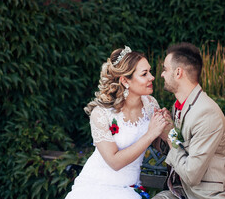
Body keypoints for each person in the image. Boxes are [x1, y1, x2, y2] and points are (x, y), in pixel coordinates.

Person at [65, 46, 169, 199]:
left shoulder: (151, 104)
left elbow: (159, 145)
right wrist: (151, 134)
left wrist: (167, 129)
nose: (152, 77)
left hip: (129, 188)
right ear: (125, 80)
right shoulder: (101, 114)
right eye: (144, 74)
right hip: (96, 186)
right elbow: (114, 162)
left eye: (150, 71)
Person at [153, 42, 225, 199]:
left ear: (178, 72)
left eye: (165, 69)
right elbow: (180, 147)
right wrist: (166, 129)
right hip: (185, 192)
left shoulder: (206, 113)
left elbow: (191, 175)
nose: (162, 74)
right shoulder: (180, 106)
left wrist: (170, 136)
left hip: (210, 195)